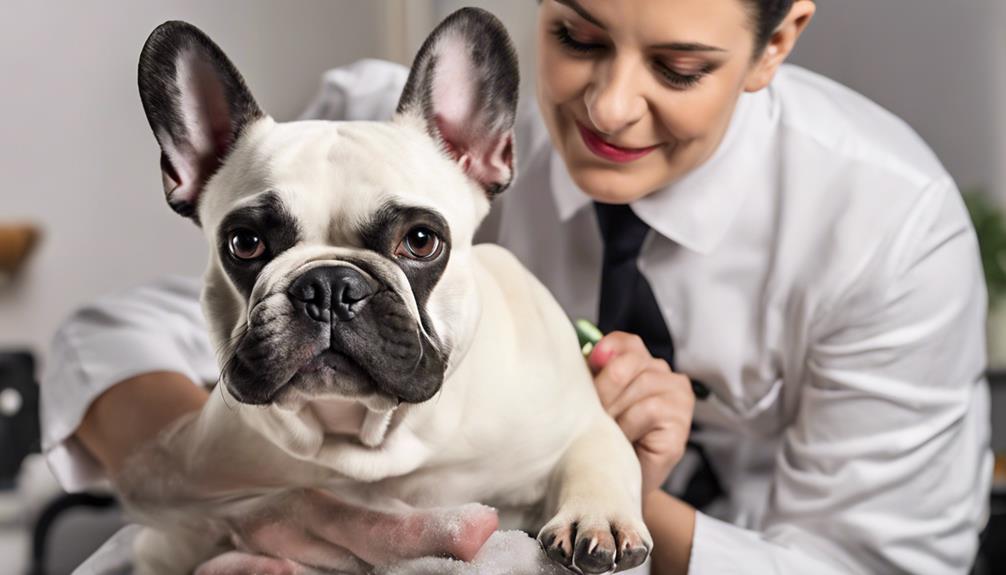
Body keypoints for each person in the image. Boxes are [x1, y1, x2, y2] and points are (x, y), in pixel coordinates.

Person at [41, 0, 992, 573]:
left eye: (680, 67)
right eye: (575, 35)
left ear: (778, 40)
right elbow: (120, 334)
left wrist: (599, 483)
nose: (610, 106)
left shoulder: (888, 223)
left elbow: (881, 564)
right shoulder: (386, 142)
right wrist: (220, 477)